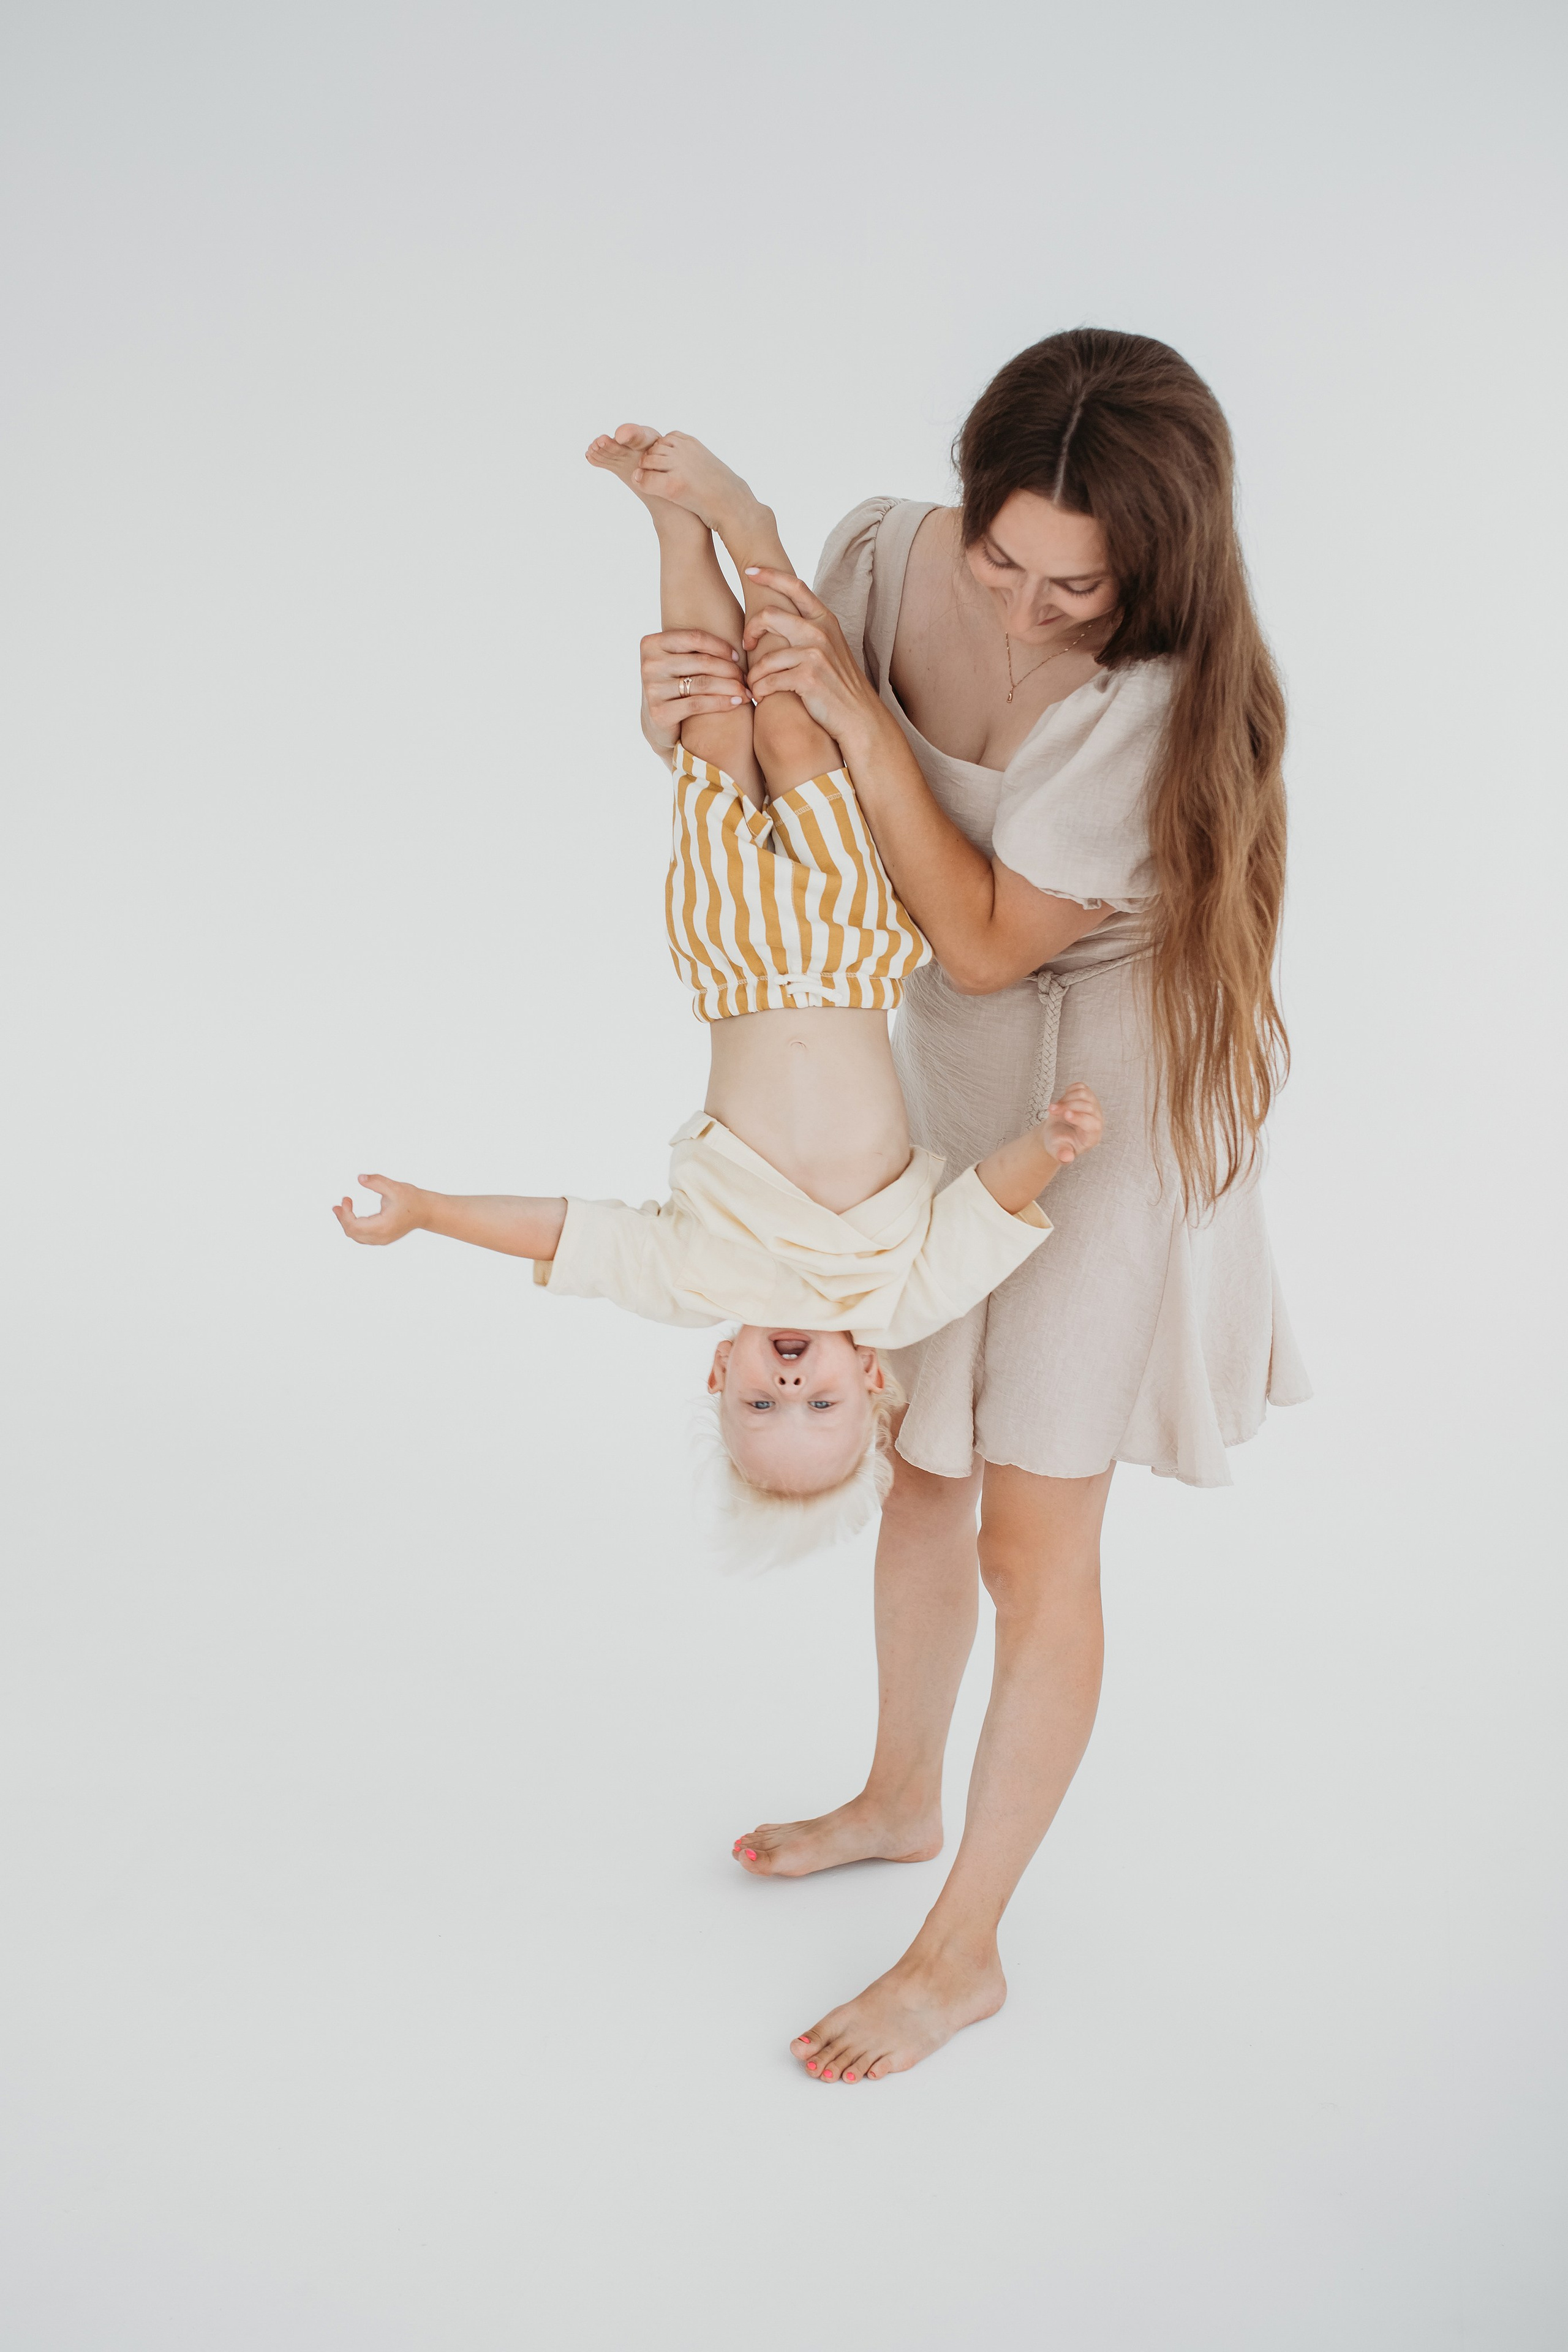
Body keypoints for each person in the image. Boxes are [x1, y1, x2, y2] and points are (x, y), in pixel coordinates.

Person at [634, 328, 1311, 2084]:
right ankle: (898, 1793)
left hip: (1105, 1102)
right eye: (1000, 559)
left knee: (1033, 1535)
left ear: (1152, 569)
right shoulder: (886, 551)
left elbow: (991, 933)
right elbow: (779, 776)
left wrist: (856, 719)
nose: (1019, 612)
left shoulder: (1151, 692)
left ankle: (964, 1954)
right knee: (919, 1467)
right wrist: (696, 712)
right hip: (941, 1068)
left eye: (1071, 588)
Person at [331, 428, 1104, 1564]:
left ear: (718, 1371)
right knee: (793, 721)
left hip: (732, 951)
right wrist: (1049, 1141)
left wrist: (432, 1212)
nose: (790, 1384)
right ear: (873, 1386)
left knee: (714, 720)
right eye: (820, 1408)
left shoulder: (690, 1280)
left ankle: (670, 523)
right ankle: (754, 532)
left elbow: (561, 1231)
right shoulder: (898, 1301)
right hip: (850, 945)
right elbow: (988, 1209)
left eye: (760, 1405)